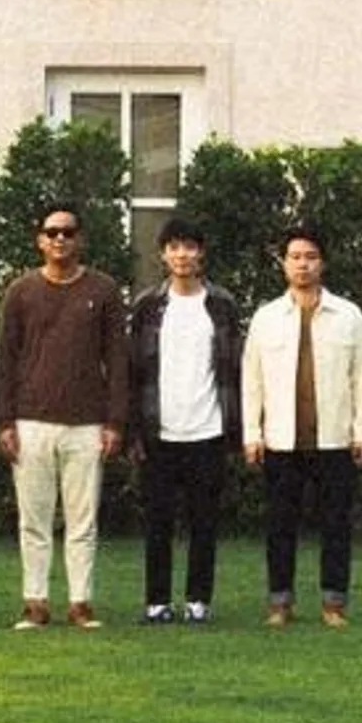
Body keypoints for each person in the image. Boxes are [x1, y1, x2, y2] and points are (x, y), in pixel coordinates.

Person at [0, 204, 129, 630]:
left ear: (80, 239)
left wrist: (115, 422)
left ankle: (80, 602)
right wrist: (4, 422)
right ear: (39, 240)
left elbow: (118, 361)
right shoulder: (21, 291)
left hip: (87, 423)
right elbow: (6, 360)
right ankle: (35, 602)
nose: (60, 240)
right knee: (33, 520)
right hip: (31, 421)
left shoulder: (104, 290)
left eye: (68, 232)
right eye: (51, 232)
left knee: (82, 520)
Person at [242, 223, 362, 628]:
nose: (303, 264)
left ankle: (334, 603)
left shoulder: (349, 316)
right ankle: (280, 602)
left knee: (336, 524)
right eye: (295, 257)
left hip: (334, 438)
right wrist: (252, 433)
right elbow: (252, 379)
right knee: (280, 525)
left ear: (324, 262)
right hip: (281, 440)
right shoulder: (266, 318)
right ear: (284, 263)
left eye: (311, 256)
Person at [128, 214, 241, 624]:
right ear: (163, 254)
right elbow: (135, 372)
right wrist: (136, 432)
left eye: (190, 247)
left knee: (204, 522)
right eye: (174, 247)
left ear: (202, 253)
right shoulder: (147, 306)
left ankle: (198, 600)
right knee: (158, 522)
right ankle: (157, 602)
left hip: (208, 428)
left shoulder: (223, 305)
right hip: (160, 430)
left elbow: (233, 371)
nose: (182, 255)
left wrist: (235, 429)